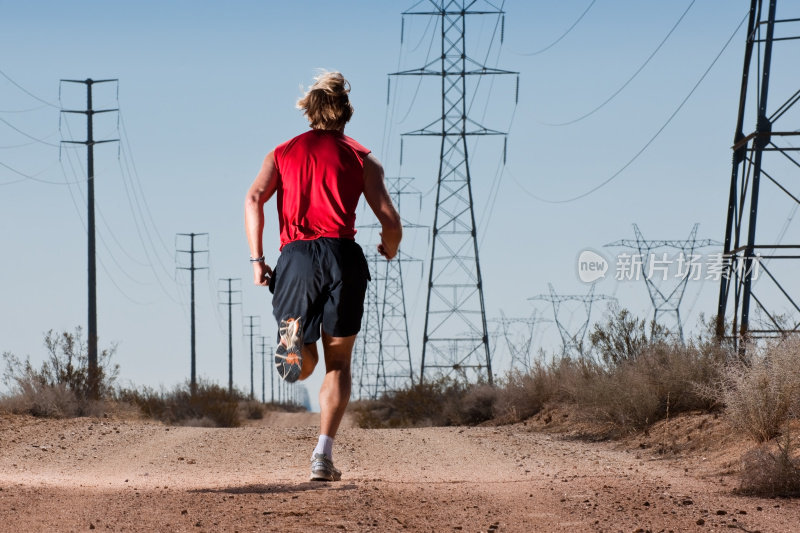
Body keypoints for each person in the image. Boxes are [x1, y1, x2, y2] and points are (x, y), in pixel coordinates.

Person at [244, 71, 402, 482]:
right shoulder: (362, 158)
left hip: (295, 259)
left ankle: (297, 342)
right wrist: (390, 247)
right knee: (339, 365)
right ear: (347, 114)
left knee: (304, 358)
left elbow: (254, 198)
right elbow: (390, 220)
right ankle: (322, 454)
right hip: (341, 258)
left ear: (309, 113)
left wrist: (257, 259)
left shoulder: (281, 153)